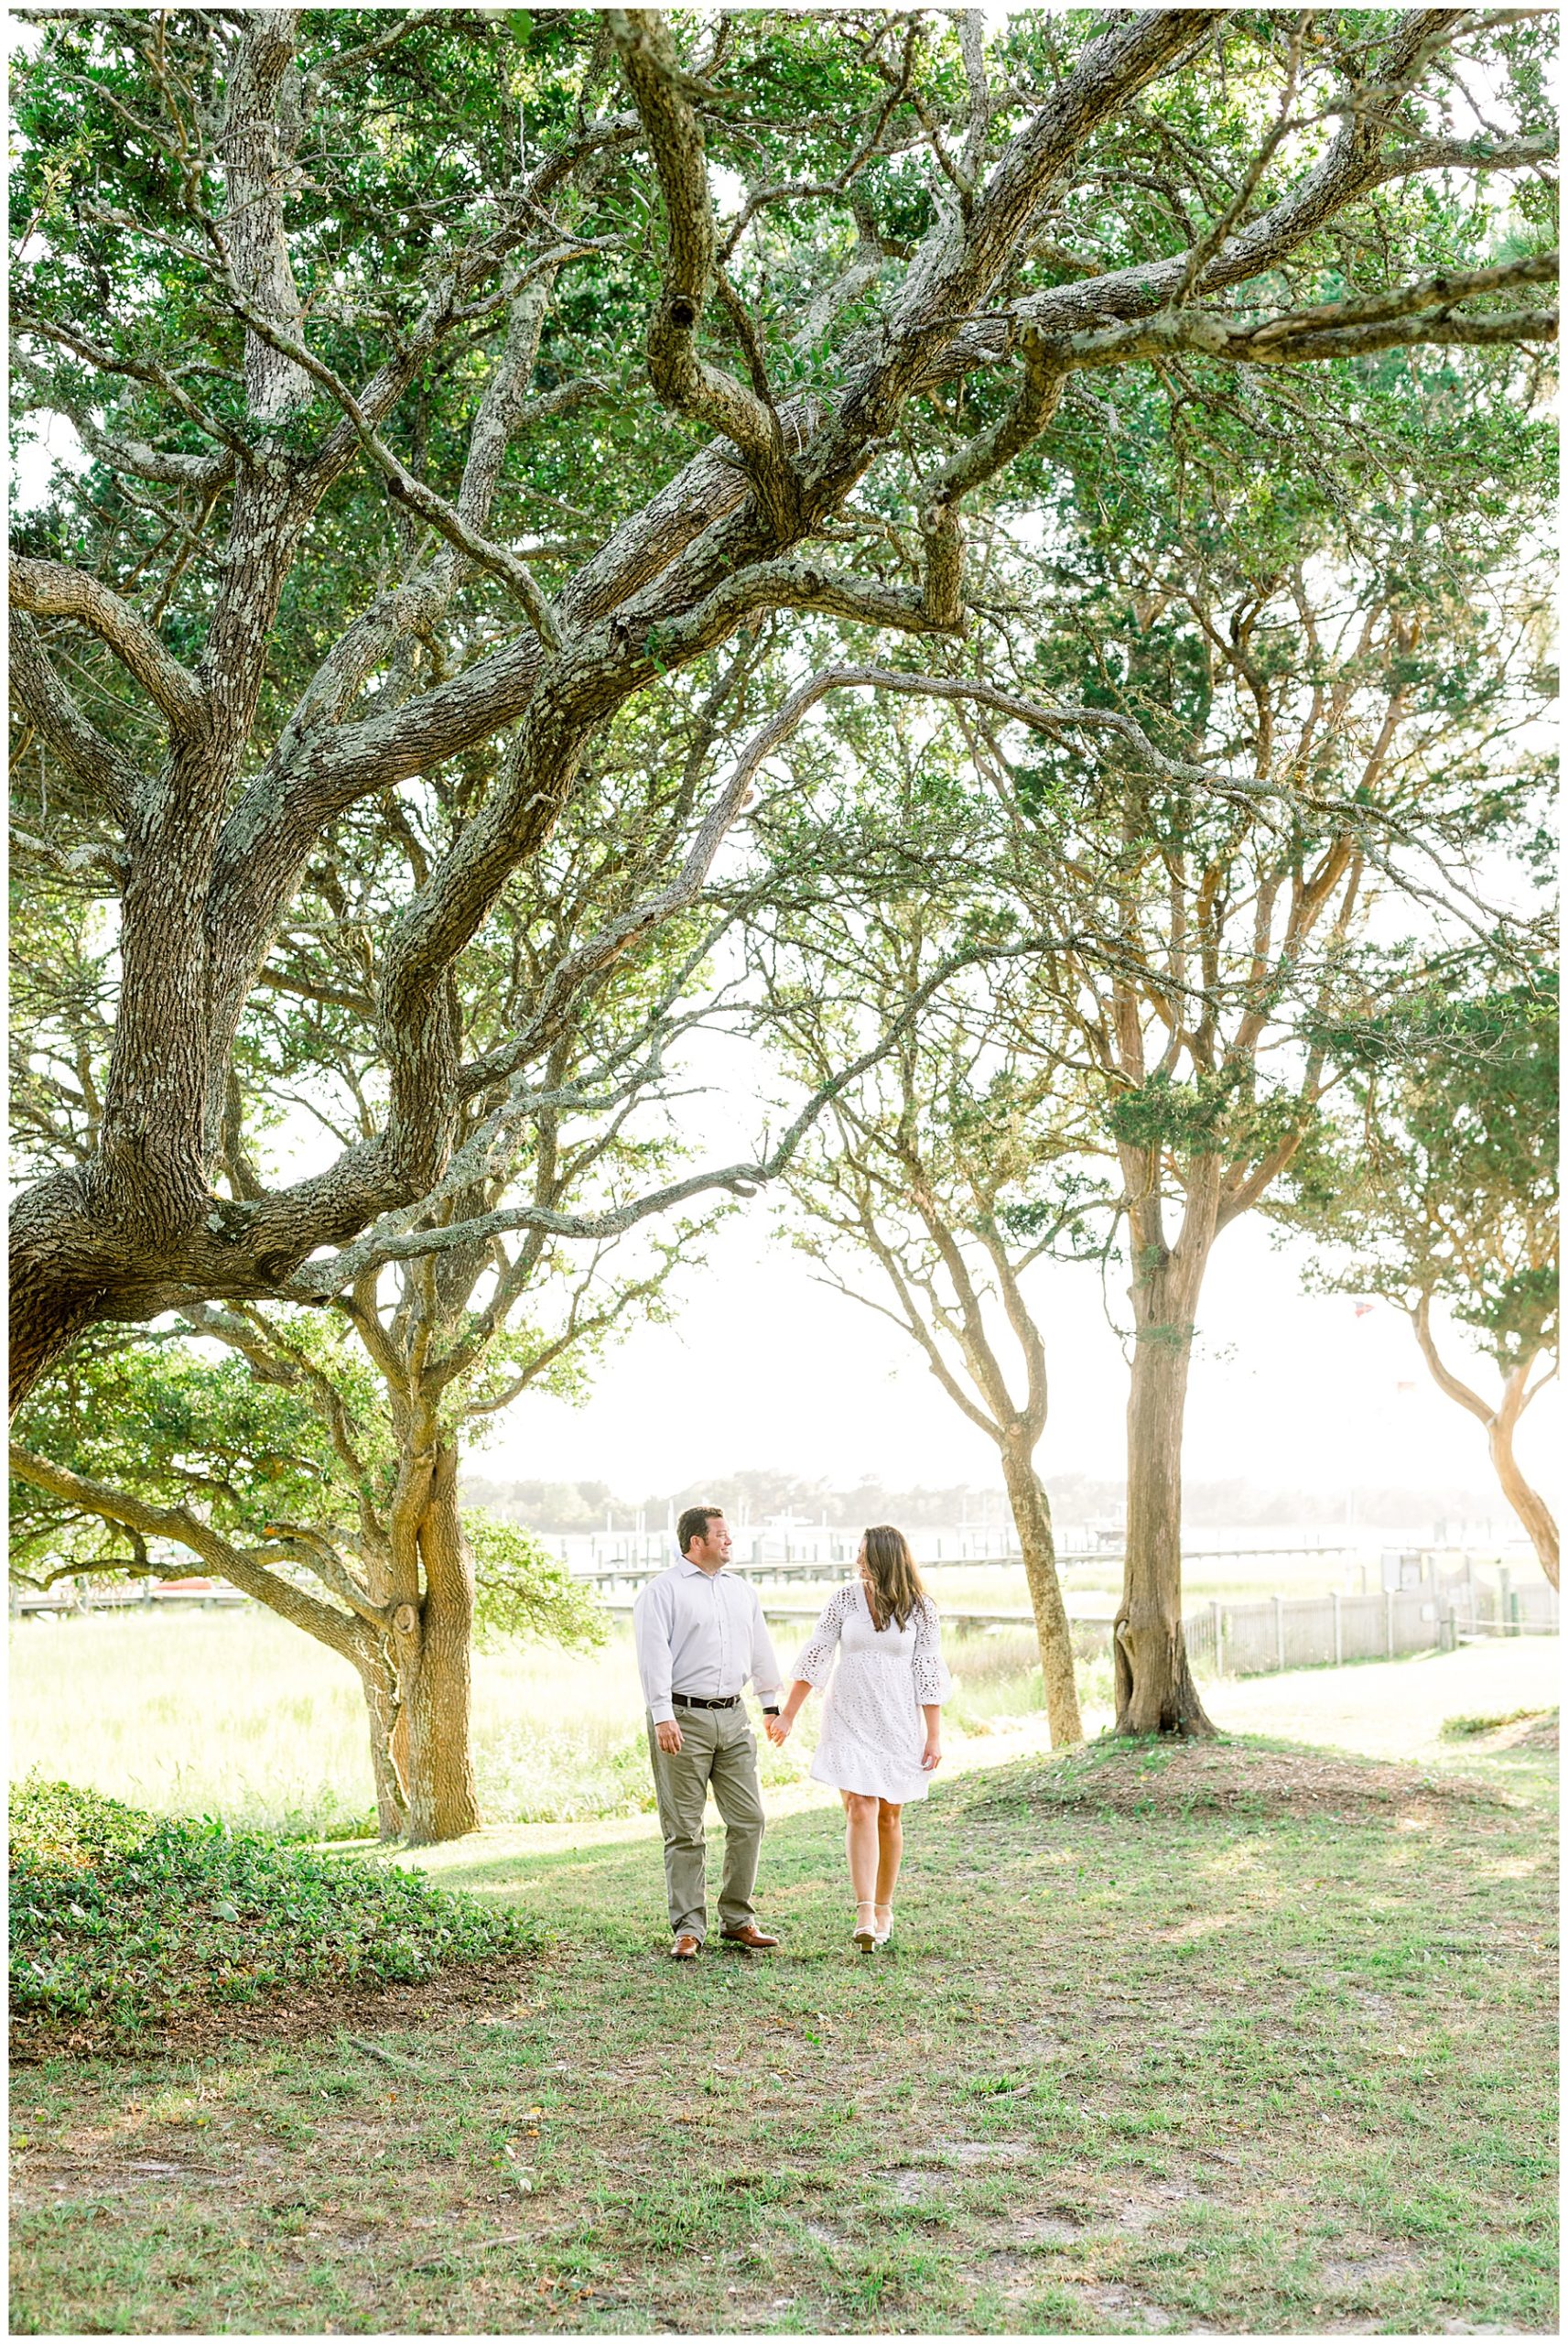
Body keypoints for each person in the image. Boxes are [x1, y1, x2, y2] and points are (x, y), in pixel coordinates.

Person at [766, 1524, 951, 1951]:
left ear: (885, 1556)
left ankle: (885, 1906)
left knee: (889, 1814)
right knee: (860, 1808)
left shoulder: (922, 1608)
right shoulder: (844, 1599)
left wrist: (934, 1736)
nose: (857, 1560)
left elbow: (928, 1672)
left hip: (899, 1720)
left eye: (864, 1552)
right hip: (847, 1714)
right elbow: (817, 1654)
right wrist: (789, 1715)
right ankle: (865, 1910)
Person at [633, 1504, 786, 1960]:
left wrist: (771, 1705)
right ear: (695, 1542)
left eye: (728, 1534)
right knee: (684, 1828)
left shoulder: (742, 1592)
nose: (729, 1540)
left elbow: (760, 1647)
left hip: (734, 1717)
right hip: (683, 1718)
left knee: (749, 1819)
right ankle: (688, 1928)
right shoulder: (661, 1593)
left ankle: (737, 1919)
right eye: (720, 1534)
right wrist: (662, 1714)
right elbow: (652, 1657)